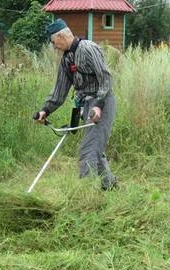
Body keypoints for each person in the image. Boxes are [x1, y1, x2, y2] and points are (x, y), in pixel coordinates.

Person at [35, 18, 116, 191]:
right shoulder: (66, 59)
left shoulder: (88, 48)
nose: (53, 46)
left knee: (88, 149)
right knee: (95, 147)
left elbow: (105, 78)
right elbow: (60, 90)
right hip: (86, 103)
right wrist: (45, 110)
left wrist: (98, 105)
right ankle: (109, 188)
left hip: (102, 101)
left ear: (61, 36)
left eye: (53, 41)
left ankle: (84, 196)